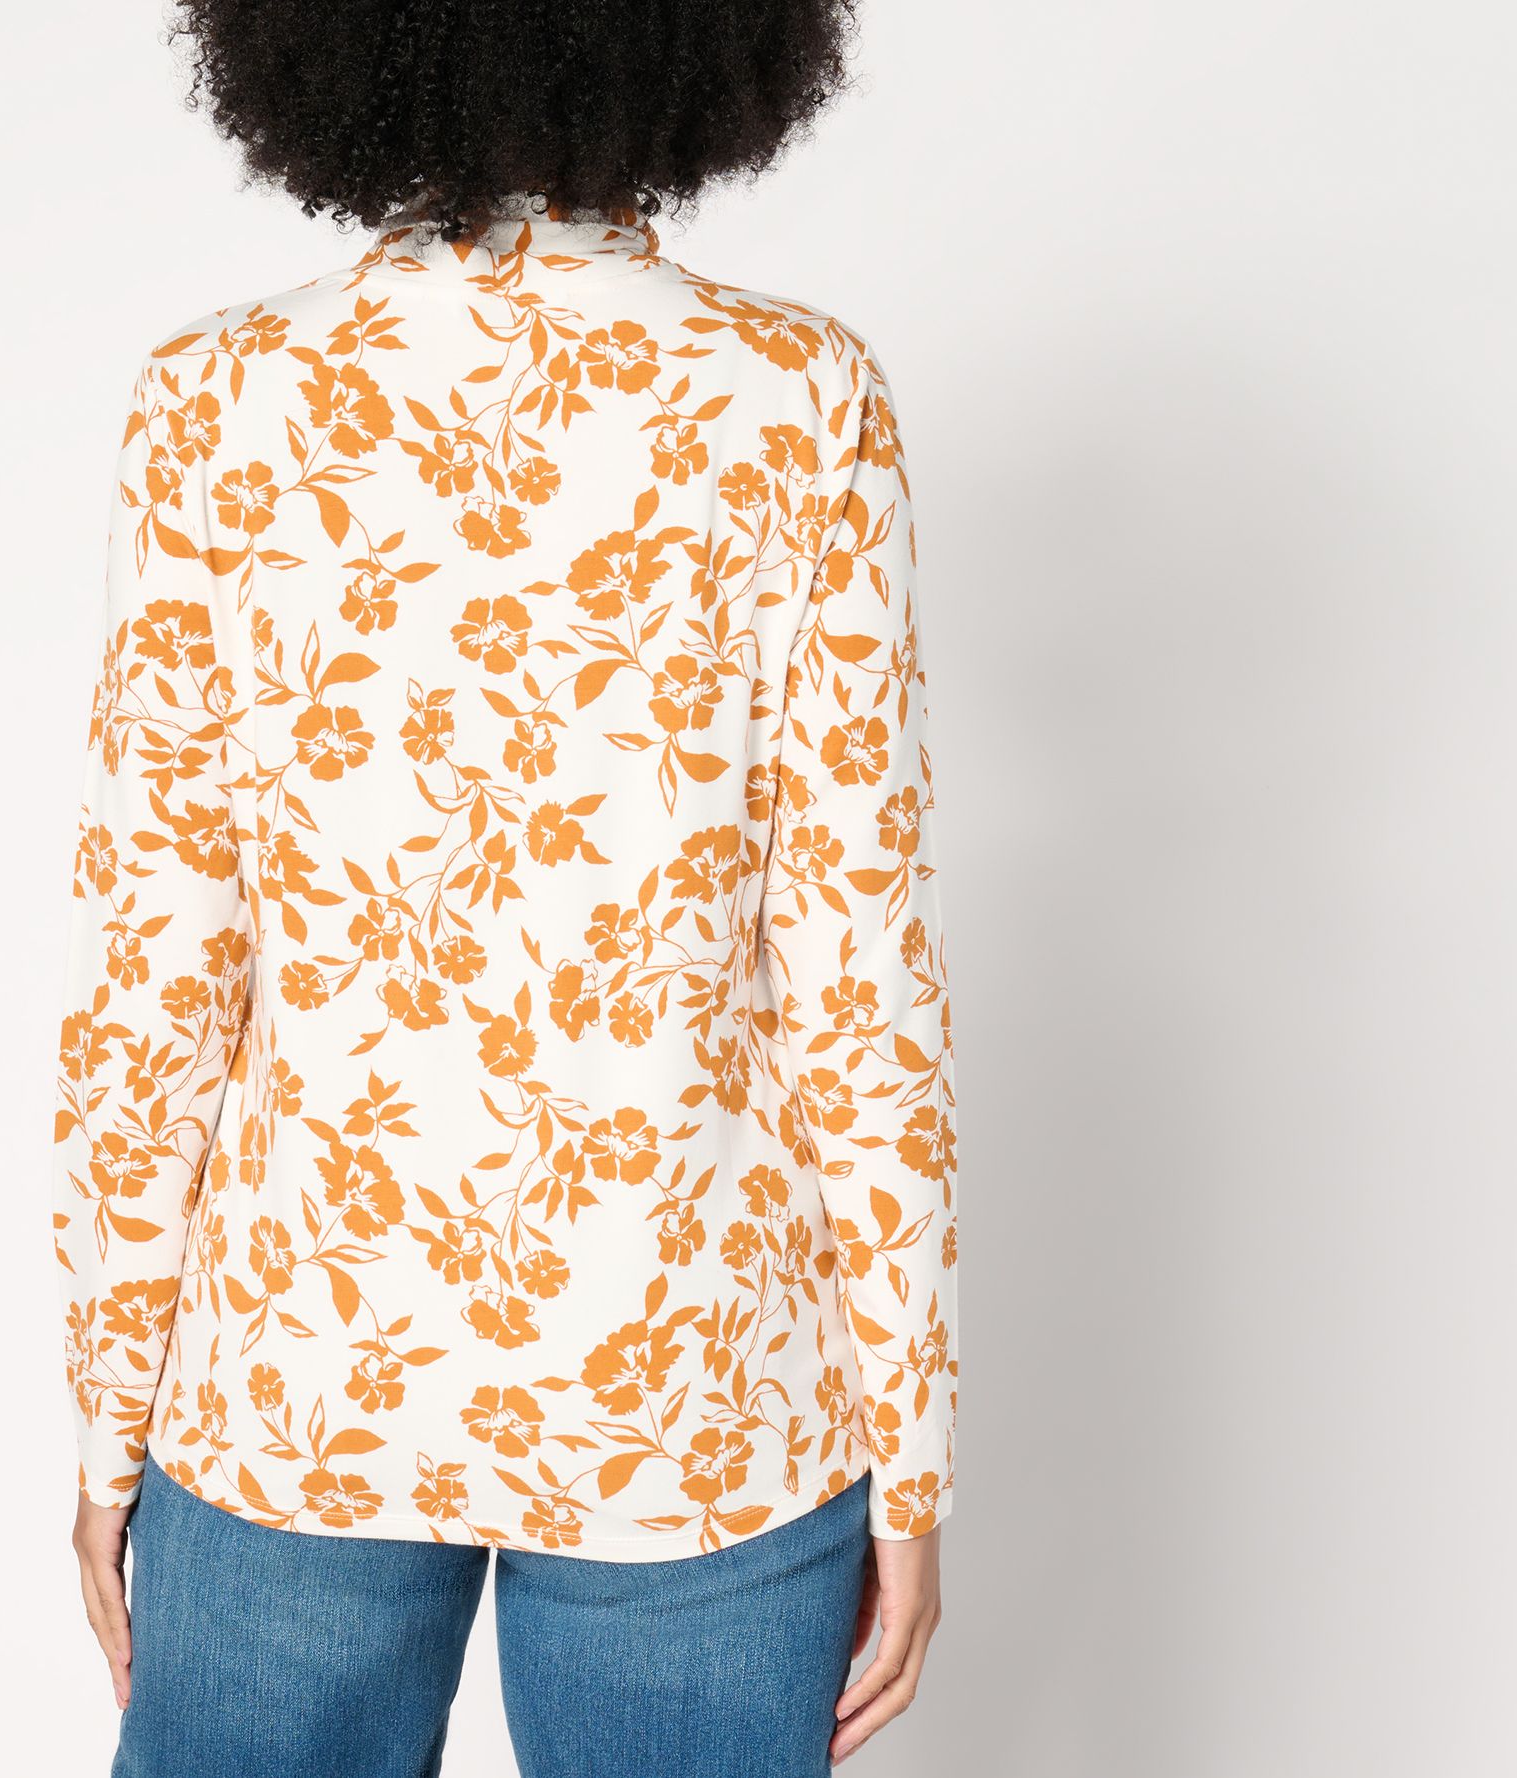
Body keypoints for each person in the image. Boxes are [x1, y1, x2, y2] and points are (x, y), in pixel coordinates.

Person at [54, 3, 961, 1771]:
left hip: (300, 1373)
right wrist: (913, 1460)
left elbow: (151, 968)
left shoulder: (219, 400)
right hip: (694, 1383)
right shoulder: (799, 398)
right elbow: (862, 972)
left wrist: (107, 1423)